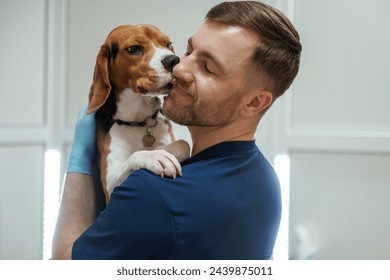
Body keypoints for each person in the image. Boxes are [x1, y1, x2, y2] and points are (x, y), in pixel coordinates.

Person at [52, 1, 301, 260]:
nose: (179, 67)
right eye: (189, 50)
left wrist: (78, 163)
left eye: (208, 68)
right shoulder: (267, 181)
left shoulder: (151, 191)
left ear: (254, 102)